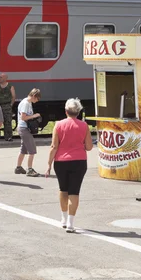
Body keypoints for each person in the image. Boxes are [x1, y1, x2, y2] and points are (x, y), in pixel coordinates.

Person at [45, 98, 93, 233]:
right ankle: (71, 223)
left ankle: (63, 219)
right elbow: (89, 147)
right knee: (74, 191)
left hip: (61, 162)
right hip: (79, 162)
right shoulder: (84, 126)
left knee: (63, 189)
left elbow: (54, 146)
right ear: (78, 112)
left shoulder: (58, 125)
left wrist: (49, 164)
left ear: (66, 111)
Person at [15, 88, 42, 177]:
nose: (37, 101)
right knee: (32, 149)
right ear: (34, 96)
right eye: (37, 99)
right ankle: (29, 169)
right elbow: (23, 117)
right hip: (24, 128)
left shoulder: (27, 102)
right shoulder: (26, 103)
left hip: (23, 128)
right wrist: (35, 115)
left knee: (23, 149)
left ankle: (18, 167)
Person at [0, 73, 15, 141]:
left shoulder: (10, 86)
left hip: (7, 106)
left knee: (8, 121)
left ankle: (8, 136)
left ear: (5, 78)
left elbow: (13, 96)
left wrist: (10, 105)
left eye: (1, 77)